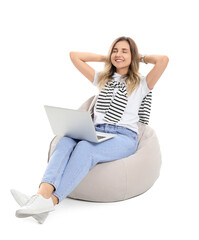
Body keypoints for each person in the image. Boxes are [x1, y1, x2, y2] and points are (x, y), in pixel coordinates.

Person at [11, 36, 169, 224]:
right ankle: (40, 196)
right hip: (97, 131)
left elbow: (163, 60)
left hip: (123, 137)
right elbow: (74, 56)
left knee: (85, 148)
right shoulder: (104, 79)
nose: (119, 54)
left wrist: (138, 57)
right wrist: (109, 58)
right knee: (65, 141)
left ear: (132, 55)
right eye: (115, 50)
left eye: (124, 51)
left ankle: (52, 201)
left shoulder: (142, 83)